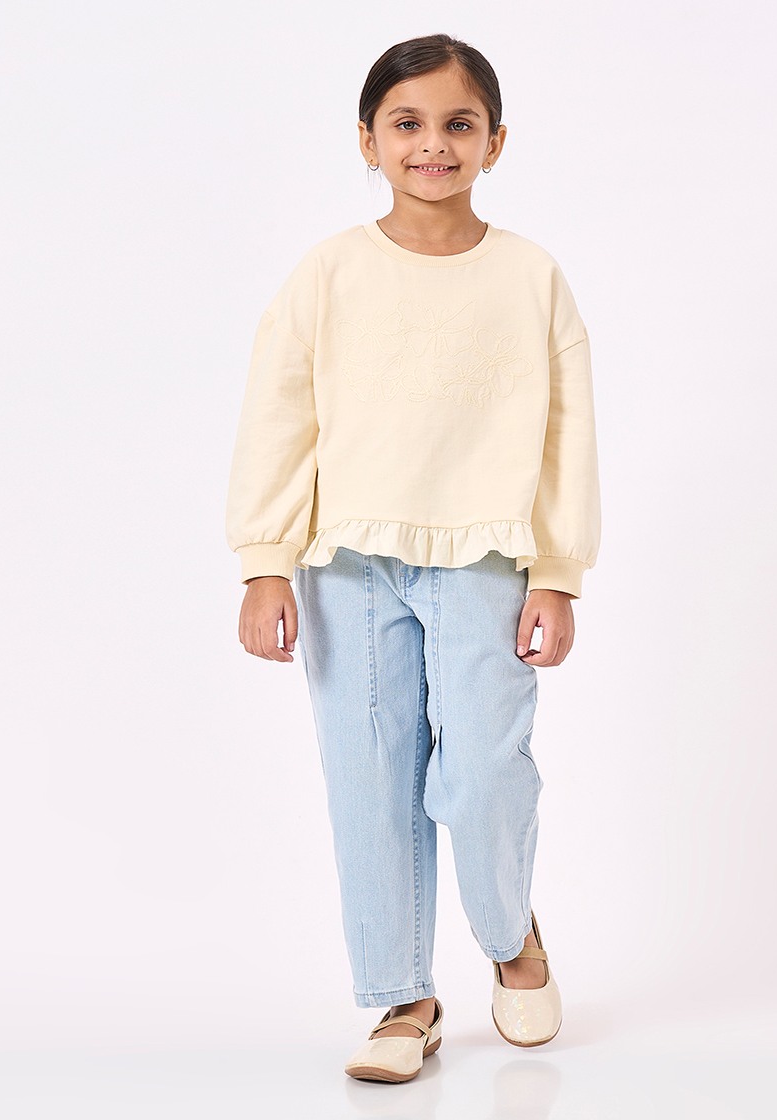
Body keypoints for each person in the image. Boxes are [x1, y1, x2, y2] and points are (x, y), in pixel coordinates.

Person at [225, 32, 601, 1083]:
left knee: (482, 769)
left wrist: (558, 572)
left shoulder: (529, 276)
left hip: (487, 557)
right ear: (368, 140)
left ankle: (510, 933)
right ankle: (402, 996)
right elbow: (279, 416)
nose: (432, 144)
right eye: (407, 123)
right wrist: (264, 558)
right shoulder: (329, 273)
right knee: (370, 780)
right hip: (347, 562)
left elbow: (567, 432)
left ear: (494, 141)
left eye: (457, 123)